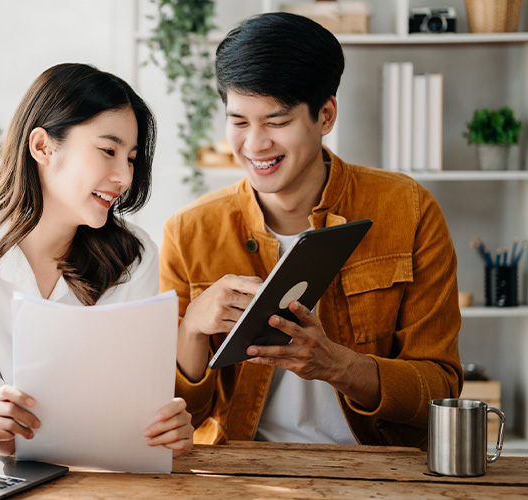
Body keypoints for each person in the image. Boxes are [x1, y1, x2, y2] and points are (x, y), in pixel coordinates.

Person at [161, 13, 461, 448]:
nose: (255, 144)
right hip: (240, 473)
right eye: (239, 122)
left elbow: (441, 390)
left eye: (277, 122)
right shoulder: (189, 231)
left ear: (326, 114)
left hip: (378, 472)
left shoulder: (409, 209)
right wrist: (190, 330)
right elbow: (174, 418)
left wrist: (337, 365)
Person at [0, 63, 193, 457]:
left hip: (100, 475)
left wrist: (162, 425)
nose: (124, 176)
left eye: (131, 158)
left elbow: (126, 398)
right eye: (108, 151)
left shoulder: (134, 255)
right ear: (42, 147)